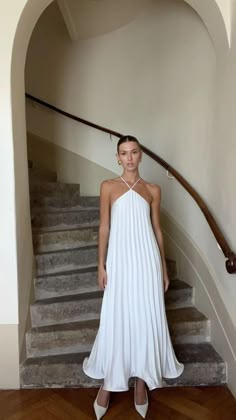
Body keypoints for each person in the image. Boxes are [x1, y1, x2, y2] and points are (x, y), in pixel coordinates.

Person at [83, 135, 184, 419]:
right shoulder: (108, 187)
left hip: (147, 260)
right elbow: (104, 228)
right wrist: (100, 265)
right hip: (119, 260)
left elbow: (158, 229)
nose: (129, 158)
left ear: (141, 156)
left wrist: (163, 267)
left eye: (134, 152)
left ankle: (141, 380)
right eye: (123, 153)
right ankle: (109, 382)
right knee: (117, 315)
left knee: (144, 316)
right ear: (117, 158)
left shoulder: (153, 189)